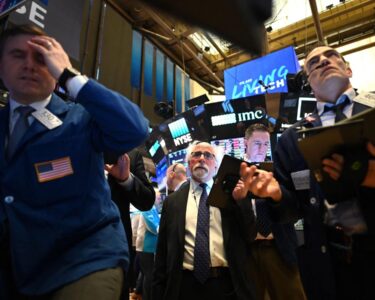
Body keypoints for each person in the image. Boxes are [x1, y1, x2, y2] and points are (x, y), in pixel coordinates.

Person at [0, 24, 149, 299]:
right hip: (17, 268)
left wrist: (71, 77)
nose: (30, 65)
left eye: (41, 58)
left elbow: (135, 128)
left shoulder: (80, 118)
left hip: (84, 261)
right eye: (18, 55)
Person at [241, 44, 375, 300]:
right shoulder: (292, 139)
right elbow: (293, 210)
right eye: (313, 64)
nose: (323, 61)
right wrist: (277, 194)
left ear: (348, 68)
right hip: (325, 263)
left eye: (331, 55)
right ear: (310, 83)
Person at [152, 141, 257, 300]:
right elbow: (162, 253)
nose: (202, 158)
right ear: (188, 164)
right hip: (184, 285)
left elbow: (250, 234)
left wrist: (242, 201)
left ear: (216, 166)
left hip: (225, 284)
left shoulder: (232, 195)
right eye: (196, 154)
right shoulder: (172, 202)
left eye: (208, 155)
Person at [243, 123, 306, 300]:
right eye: (257, 143)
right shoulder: (232, 173)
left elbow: (295, 209)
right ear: (245, 142)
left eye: (265, 144)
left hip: (280, 246)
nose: (262, 148)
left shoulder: (279, 171)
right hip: (248, 250)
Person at [105, 149, 155, 298]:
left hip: (116, 252)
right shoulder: (73, 144)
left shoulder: (128, 156)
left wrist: (125, 179)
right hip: (74, 251)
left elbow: (147, 201)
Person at [134, 188, 161, 300]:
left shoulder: (152, 209)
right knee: (149, 275)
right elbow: (153, 227)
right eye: (158, 197)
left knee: (145, 274)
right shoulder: (147, 208)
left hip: (149, 247)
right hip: (146, 247)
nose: (160, 199)